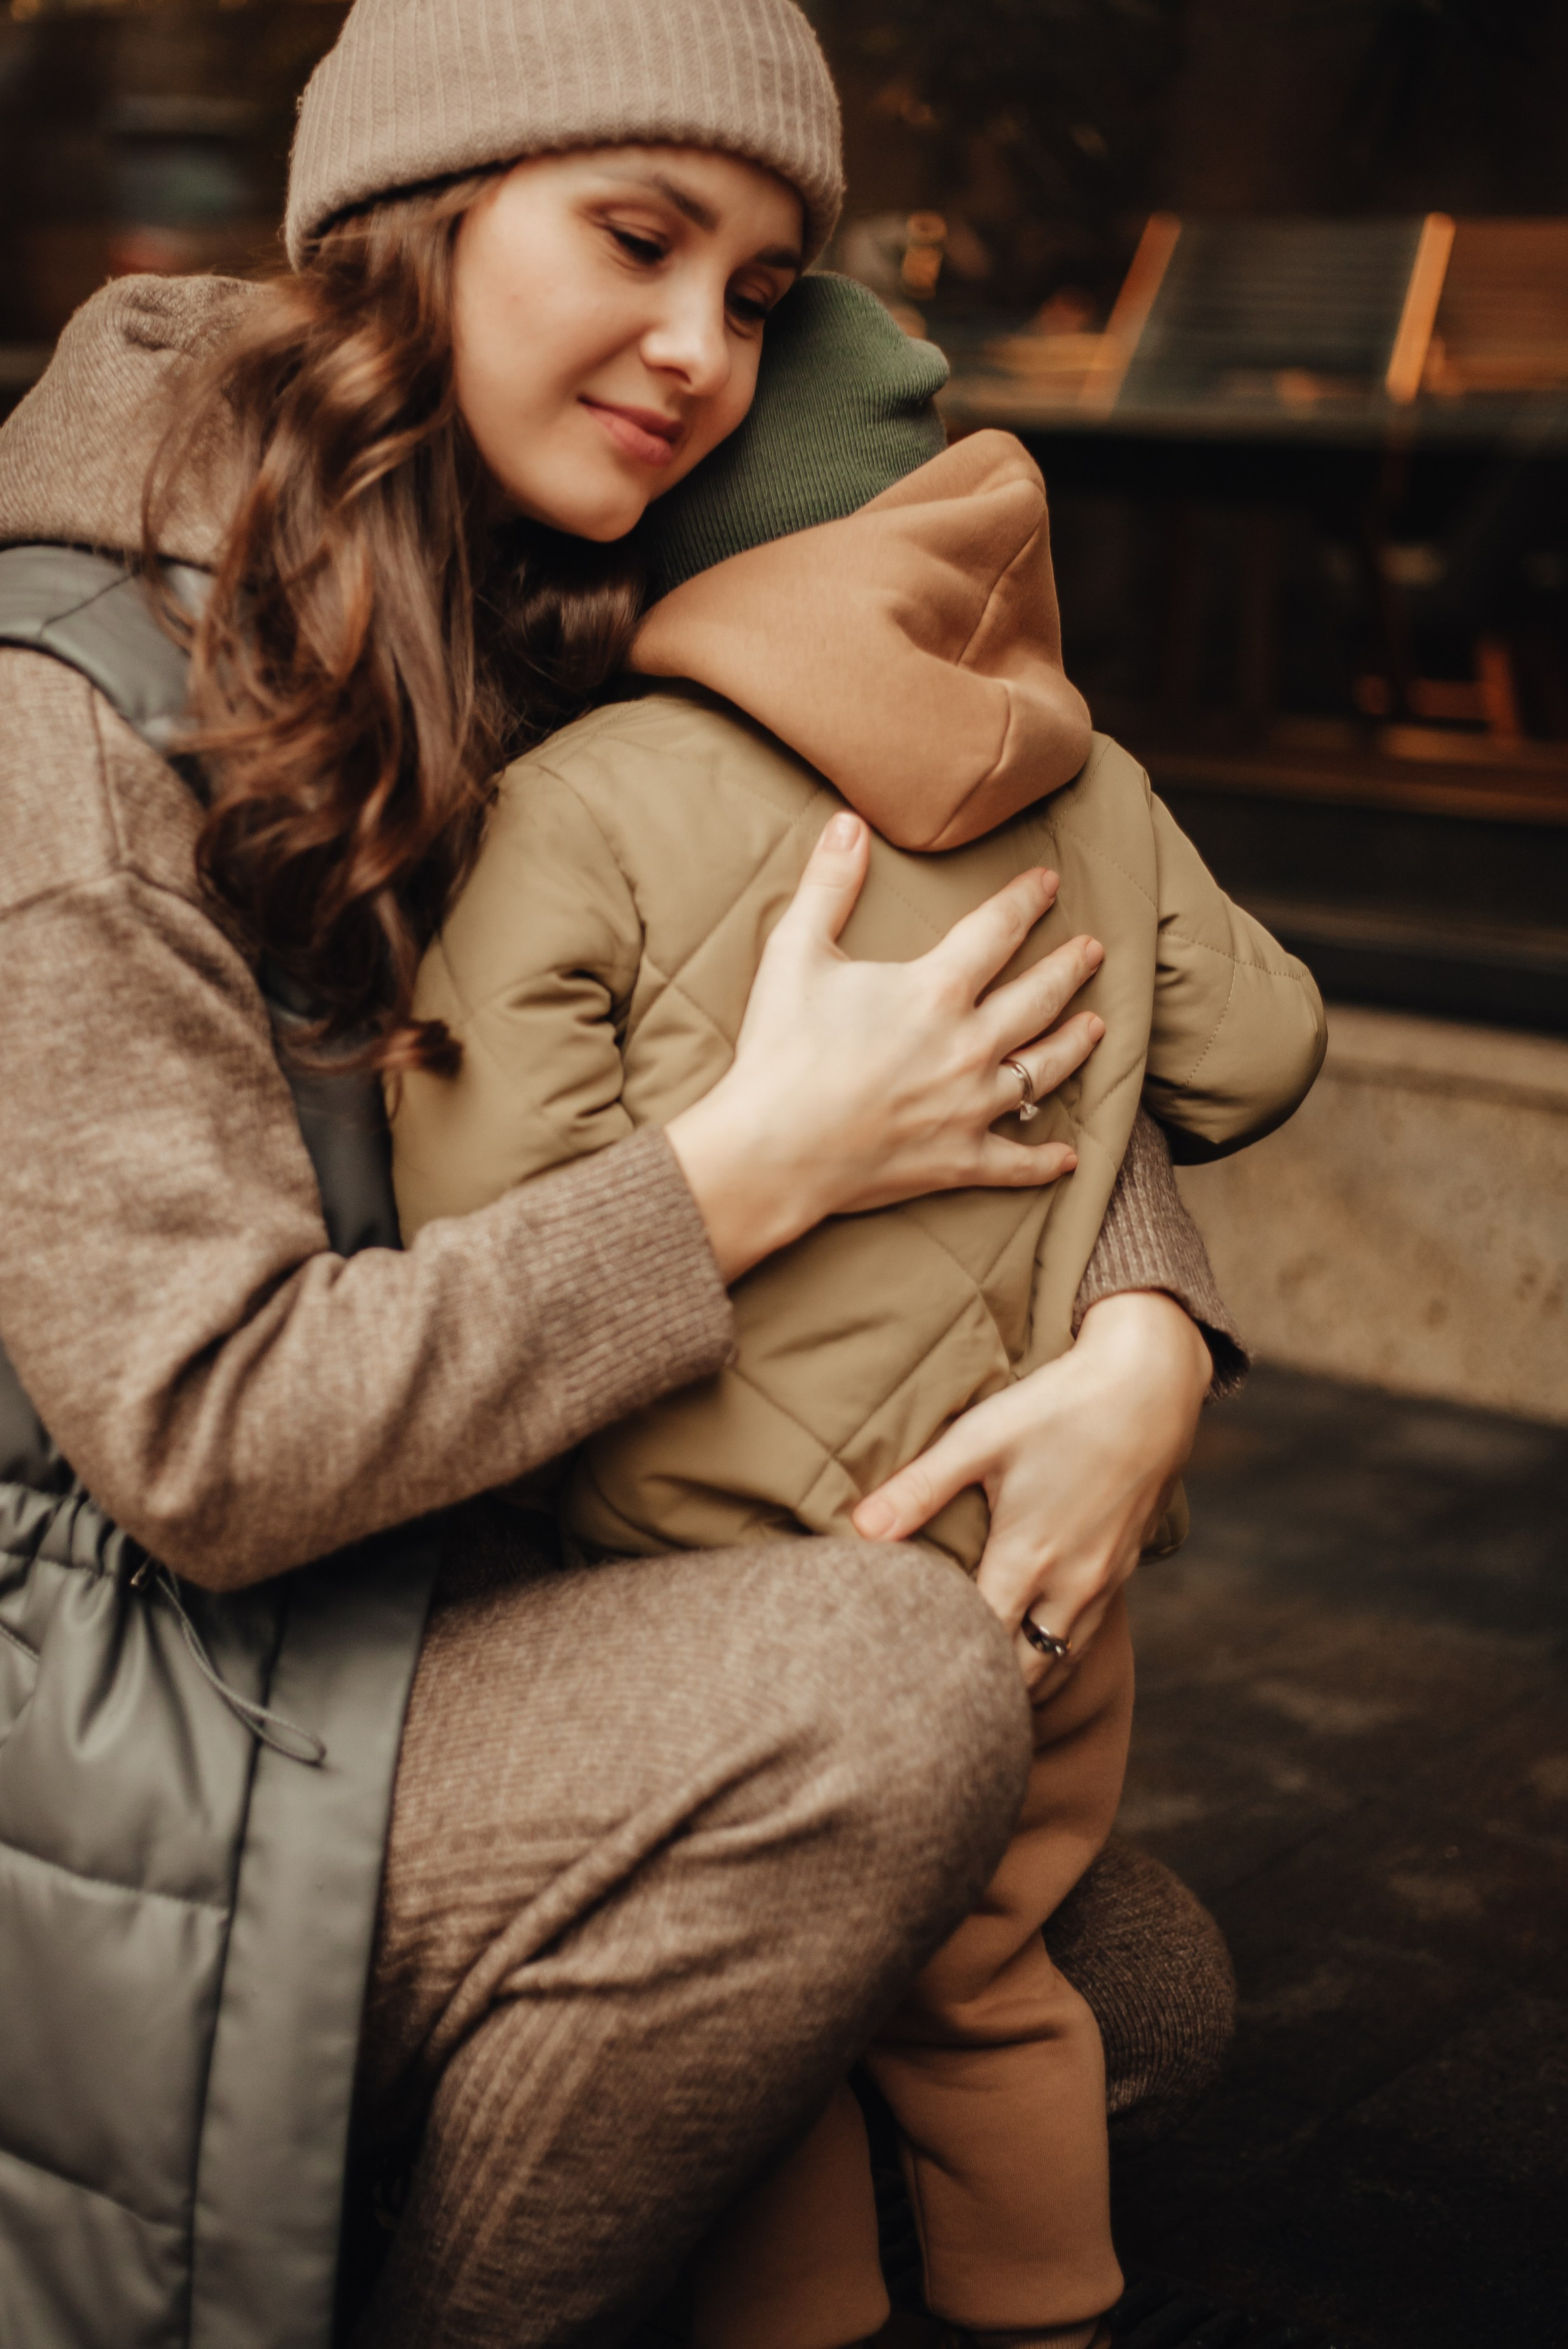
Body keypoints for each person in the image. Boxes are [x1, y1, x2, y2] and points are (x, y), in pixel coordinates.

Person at [0, 0, 1243, 2344]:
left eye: (758, 284)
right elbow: (218, 1448)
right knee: (887, 1713)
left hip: (428, 1612)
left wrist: (1148, 1330)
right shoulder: (38, 743)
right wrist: (742, 1178)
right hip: (67, 1726)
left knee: (1124, 1975)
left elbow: (992, 946)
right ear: (417, 218)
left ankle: (469, 2128)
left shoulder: (530, 614)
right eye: (638, 239)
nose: (707, 353)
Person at [387, 274, 1325, 2349]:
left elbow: (493, 1208)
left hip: (712, 1603)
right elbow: (1259, 1060)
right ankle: (1048, 2313)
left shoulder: (584, 797)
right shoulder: (1098, 787)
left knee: (780, 2024)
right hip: (1030, 1586)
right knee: (989, 1989)